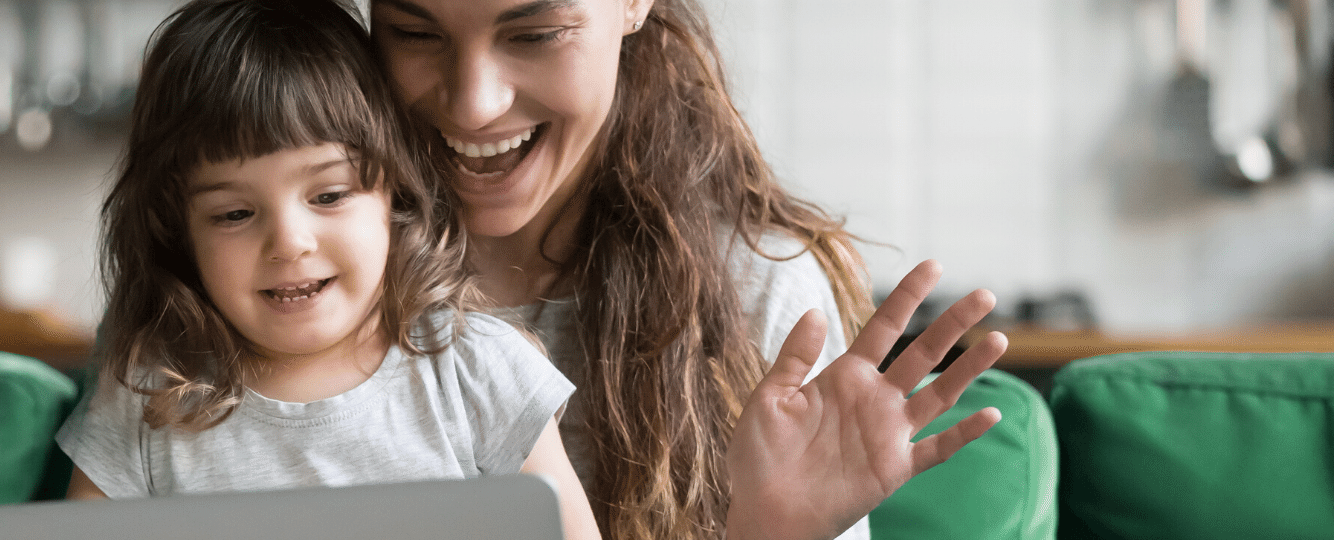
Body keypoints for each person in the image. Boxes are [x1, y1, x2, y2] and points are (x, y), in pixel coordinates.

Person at [364, 1, 1009, 539]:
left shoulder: (758, 292)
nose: (475, 104)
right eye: (415, 34)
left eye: (536, 35)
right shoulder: (297, 283)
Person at [53, 1, 603, 539]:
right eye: (234, 214)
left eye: (330, 194)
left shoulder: (478, 370)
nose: (289, 243)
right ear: (179, 232)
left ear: (394, 193)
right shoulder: (148, 395)